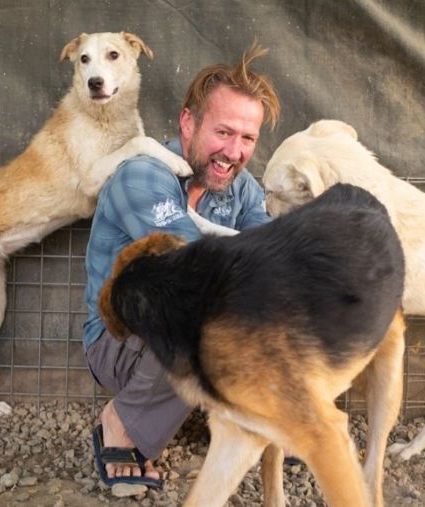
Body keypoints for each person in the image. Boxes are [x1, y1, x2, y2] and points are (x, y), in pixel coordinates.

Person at [82, 43, 280, 486]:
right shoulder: (143, 174)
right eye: (223, 132)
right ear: (188, 122)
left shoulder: (241, 186)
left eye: (247, 138)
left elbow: (272, 255)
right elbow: (191, 269)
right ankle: (123, 420)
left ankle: (257, 427)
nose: (233, 151)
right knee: (197, 301)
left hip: (194, 327)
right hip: (119, 343)